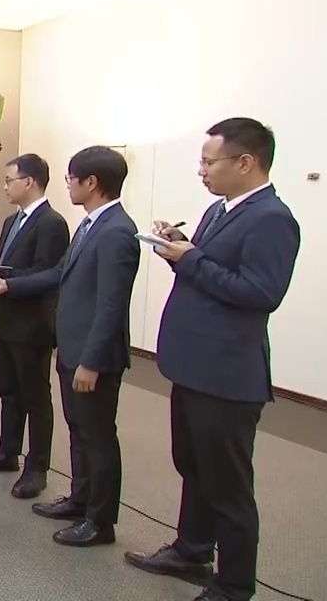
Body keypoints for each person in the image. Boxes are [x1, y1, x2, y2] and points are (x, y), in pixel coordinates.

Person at [124, 118, 300, 601]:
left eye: (208, 162)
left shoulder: (272, 219)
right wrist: (176, 249)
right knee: (193, 465)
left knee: (228, 486)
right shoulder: (219, 210)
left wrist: (191, 259)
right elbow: (208, 269)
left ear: (245, 162)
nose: (201, 171)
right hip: (194, 365)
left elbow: (260, 293)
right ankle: (191, 550)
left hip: (227, 375)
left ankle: (234, 586)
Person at [0, 145, 139, 548]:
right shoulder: (90, 225)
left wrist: (91, 361)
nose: (67, 184)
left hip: (91, 356)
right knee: (80, 431)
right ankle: (80, 499)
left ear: (92, 182)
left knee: (98, 438)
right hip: (71, 347)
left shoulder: (117, 232)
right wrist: (6, 282)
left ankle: (100, 521)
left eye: (71, 178)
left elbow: (111, 305)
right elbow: (58, 273)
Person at [0, 154, 70, 499]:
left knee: (35, 397)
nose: (5, 187)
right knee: (8, 390)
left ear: (30, 181)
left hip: (33, 322)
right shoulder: (12, 221)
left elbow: (48, 273)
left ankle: (37, 468)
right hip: (6, 319)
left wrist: (6, 282)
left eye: (9, 180)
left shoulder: (52, 223)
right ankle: (7, 451)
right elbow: (11, 265)